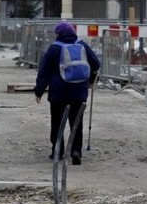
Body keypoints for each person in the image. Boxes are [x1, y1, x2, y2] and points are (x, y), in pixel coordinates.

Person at [34, 22, 100, 165]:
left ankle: (57, 151)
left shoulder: (54, 49)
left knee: (57, 122)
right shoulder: (83, 45)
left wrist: (39, 90)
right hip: (79, 92)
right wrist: (89, 79)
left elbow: (44, 72)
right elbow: (96, 64)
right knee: (76, 122)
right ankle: (76, 151)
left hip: (58, 93)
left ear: (58, 34)